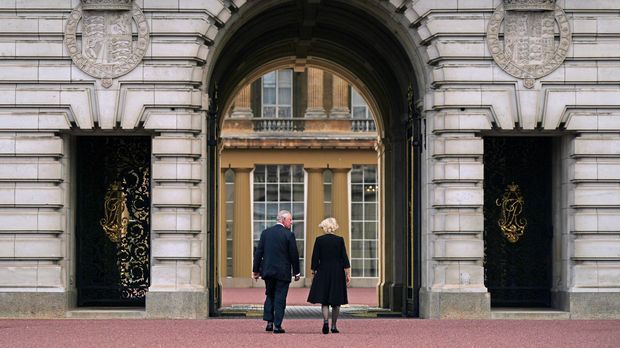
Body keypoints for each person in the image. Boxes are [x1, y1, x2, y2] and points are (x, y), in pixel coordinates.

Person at [252, 210, 301, 334]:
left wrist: (256, 270)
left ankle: (269, 322)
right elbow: (293, 255)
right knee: (280, 297)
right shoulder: (289, 235)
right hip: (283, 272)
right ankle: (277, 326)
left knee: (270, 295)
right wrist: (297, 272)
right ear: (283, 220)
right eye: (290, 220)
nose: (291, 222)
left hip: (268, 271)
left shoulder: (266, 233)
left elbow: (259, 253)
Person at [307, 217, 351, 334]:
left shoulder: (319, 240)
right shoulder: (339, 240)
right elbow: (344, 258)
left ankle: (325, 322)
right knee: (336, 302)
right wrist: (347, 273)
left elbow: (315, 258)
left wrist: (314, 272)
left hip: (323, 271)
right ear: (334, 226)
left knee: (324, 300)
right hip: (337, 271)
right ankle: (334, 326)